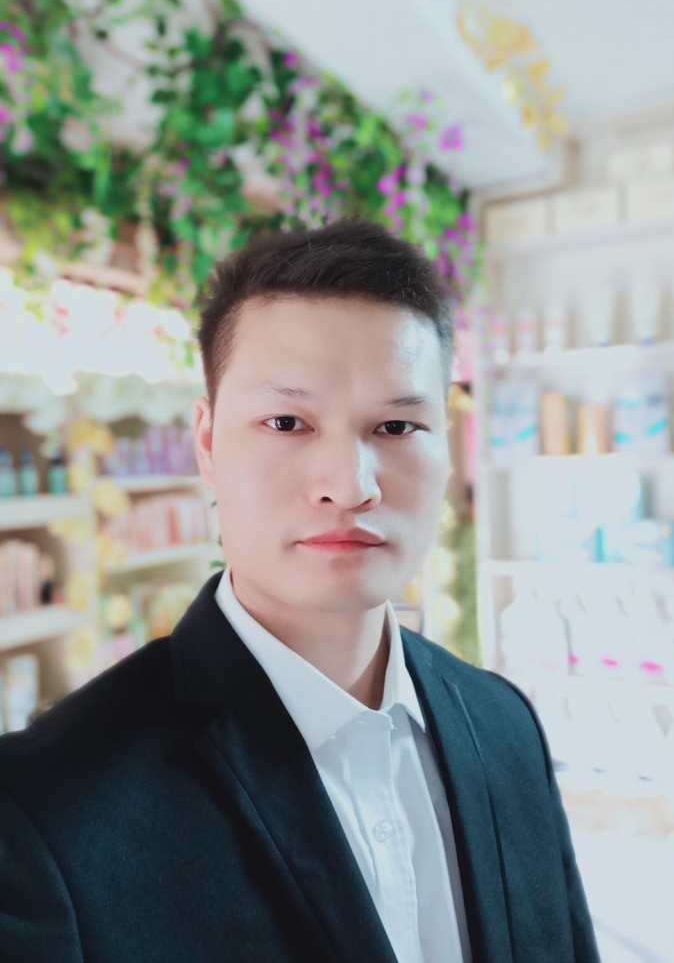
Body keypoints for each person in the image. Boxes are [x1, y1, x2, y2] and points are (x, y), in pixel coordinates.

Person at [0, 220, 600, 963]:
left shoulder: (504, 724)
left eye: (397, 425)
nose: (349, 486)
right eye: (287, 422)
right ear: (207, 441)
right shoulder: (47, 810)